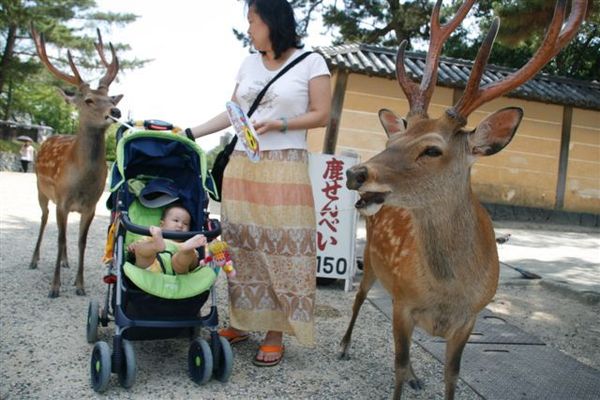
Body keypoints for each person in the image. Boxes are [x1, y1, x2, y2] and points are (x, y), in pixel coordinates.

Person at [185, 0, 331, 367]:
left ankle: (275, 332)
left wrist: (281, 124)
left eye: (252, 21)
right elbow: (233, 111)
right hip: (242, 165)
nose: (249, 29)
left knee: (284, 248)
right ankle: (242, 323)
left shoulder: (312, 61)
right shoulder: (249, 63)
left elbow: (323, 114)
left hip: (285, 168)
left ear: (271, 21)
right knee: (241, 245)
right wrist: (190, 132)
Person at [127, 204, 206, 275]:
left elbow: (194, 264)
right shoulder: (153, 237)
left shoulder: (185, 244)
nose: (180, 225)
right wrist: (133, 247)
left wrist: (188, 251)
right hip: (150, 269)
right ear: (162, 225)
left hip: (178, 273)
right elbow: (136, 248)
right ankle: (155, 246)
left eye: (185, 224)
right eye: (176, 220)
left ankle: (185, 252)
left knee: (185, 259)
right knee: (142, 251)